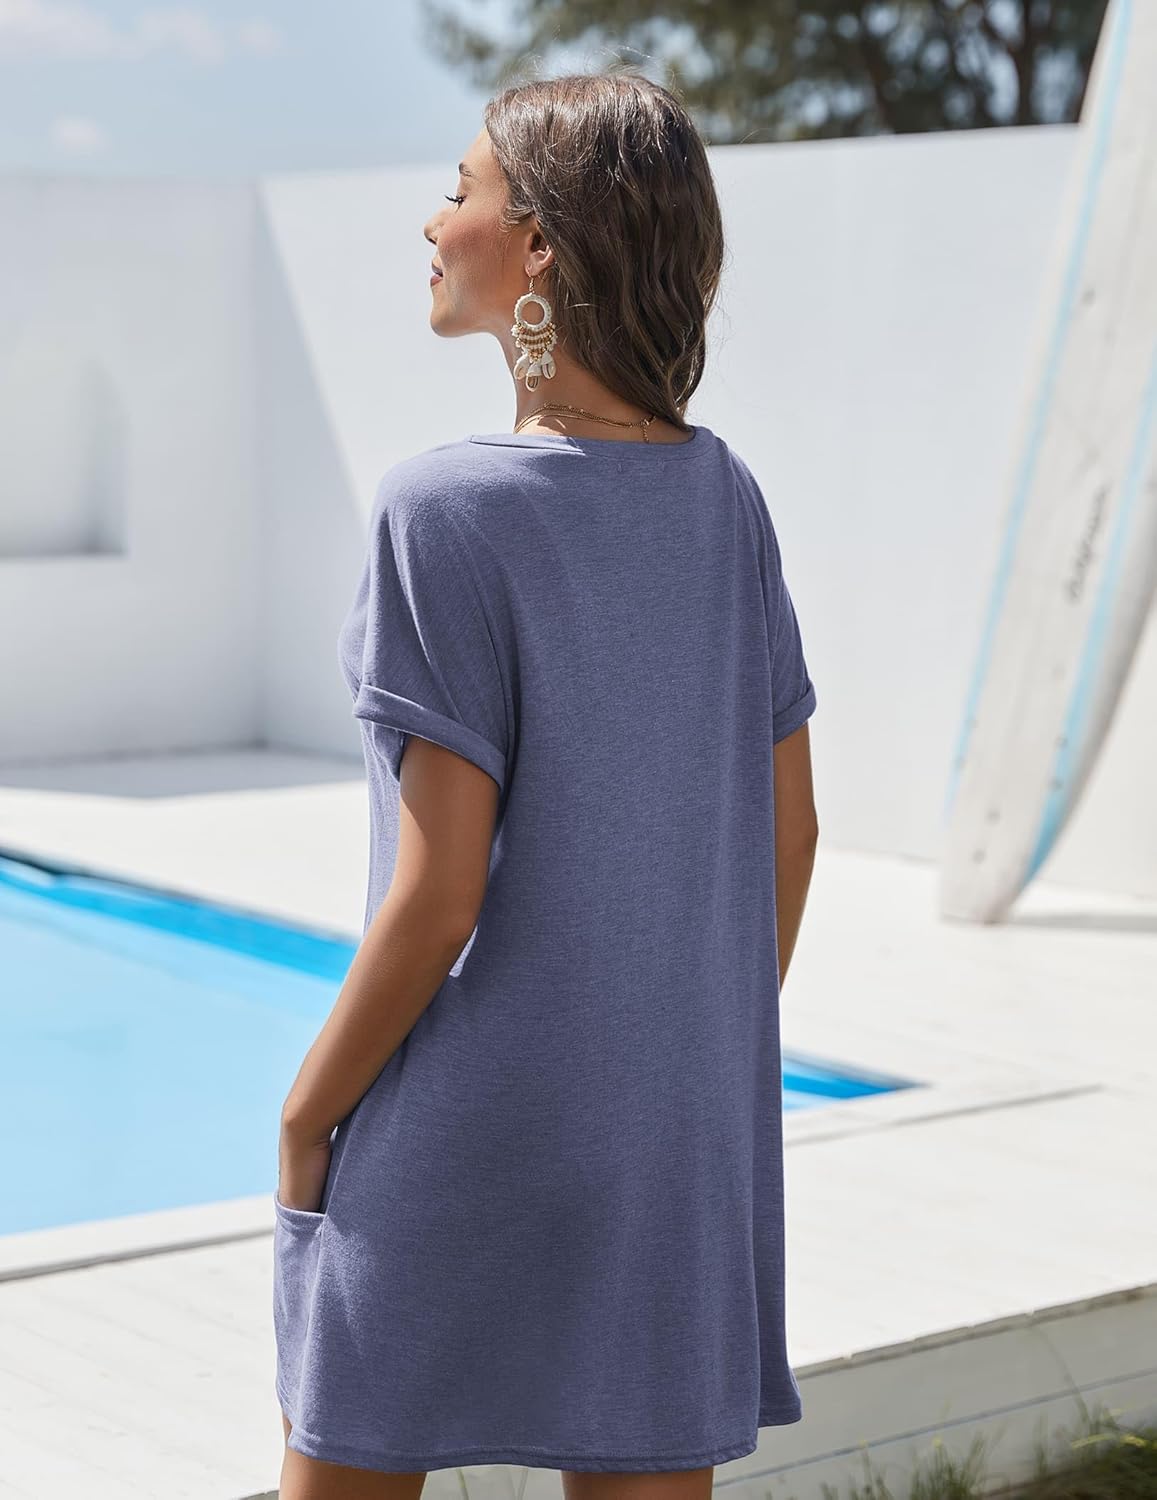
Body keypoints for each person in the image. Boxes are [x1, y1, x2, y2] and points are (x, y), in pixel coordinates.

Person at [273, 69, 819, 1500]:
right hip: (668, 1141)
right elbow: (792, 836)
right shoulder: (727, 501)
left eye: (459, 191)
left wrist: (307, 1116)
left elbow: (438, 896)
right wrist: (672, 1062)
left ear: (535, 245)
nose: (431, 222)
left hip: (461, 1125)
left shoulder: (440, 509)